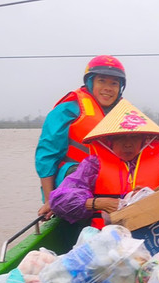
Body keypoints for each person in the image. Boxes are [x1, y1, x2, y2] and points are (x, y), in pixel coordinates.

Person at [49, 99, 159, 228]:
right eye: (120, 137)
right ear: (109, 141)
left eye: (134, 137)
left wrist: (152, 196)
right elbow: (59, 200)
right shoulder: (93, 165)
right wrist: (97, 203)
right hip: (107, 235)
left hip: (155, 231)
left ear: (144, 140)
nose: (128, 144)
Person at [35, 55, 127, 220]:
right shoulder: (67, 110)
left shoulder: (126, 113)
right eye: (102, 81)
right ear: (90, 82)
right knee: (77, 171)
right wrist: (50, 200)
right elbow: (46, 156)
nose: (108, 88)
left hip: (110, 182)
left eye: (114, 83)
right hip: (73, 182)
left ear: (120, 88)